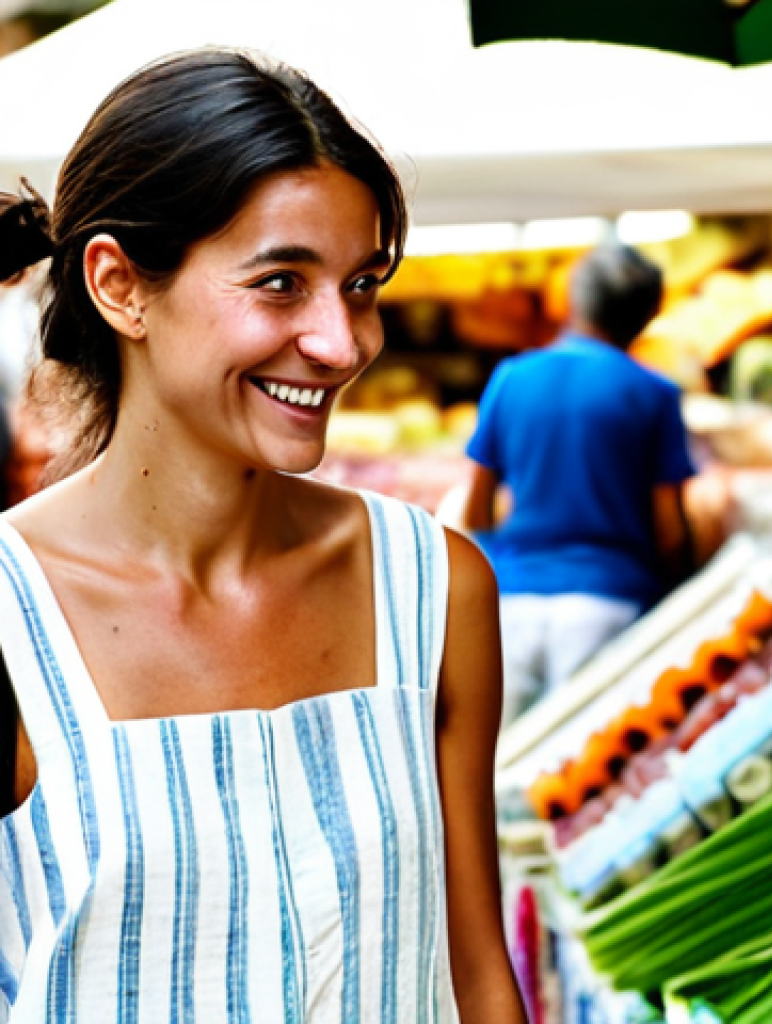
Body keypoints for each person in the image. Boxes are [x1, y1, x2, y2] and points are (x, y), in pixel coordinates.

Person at [0, 50, 525, 1024]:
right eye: (282, 282)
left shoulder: (432, 587)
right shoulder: (9, 617)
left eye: (361, 283)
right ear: (119, 285)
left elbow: (477, 972)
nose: (343, 342)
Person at [464, 245, 696, 724]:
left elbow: (475, 511)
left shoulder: (511, 378)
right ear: (649, 314)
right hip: (609, 601)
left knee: (498, 766)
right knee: (580, 768)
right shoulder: (653, 392)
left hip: (512, 605)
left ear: (572, 300)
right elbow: (670, 529)